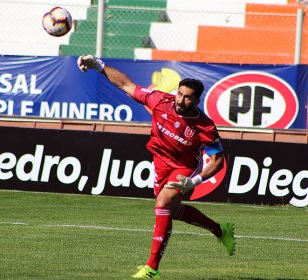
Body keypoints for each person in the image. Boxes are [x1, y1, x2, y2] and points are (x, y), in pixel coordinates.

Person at [77, 55, 236, 279]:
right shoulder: (160, 100)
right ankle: (221, 231)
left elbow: (218, 161)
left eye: (188, 98)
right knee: (172, 210)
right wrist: (98, 65)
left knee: (162, 203)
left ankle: (152, 268)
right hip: (160, 163)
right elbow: (126, 84)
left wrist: (195, 181)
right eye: (179, 94)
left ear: (197, 101)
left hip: (184, 168)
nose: (180, 101)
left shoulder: (205, 126)